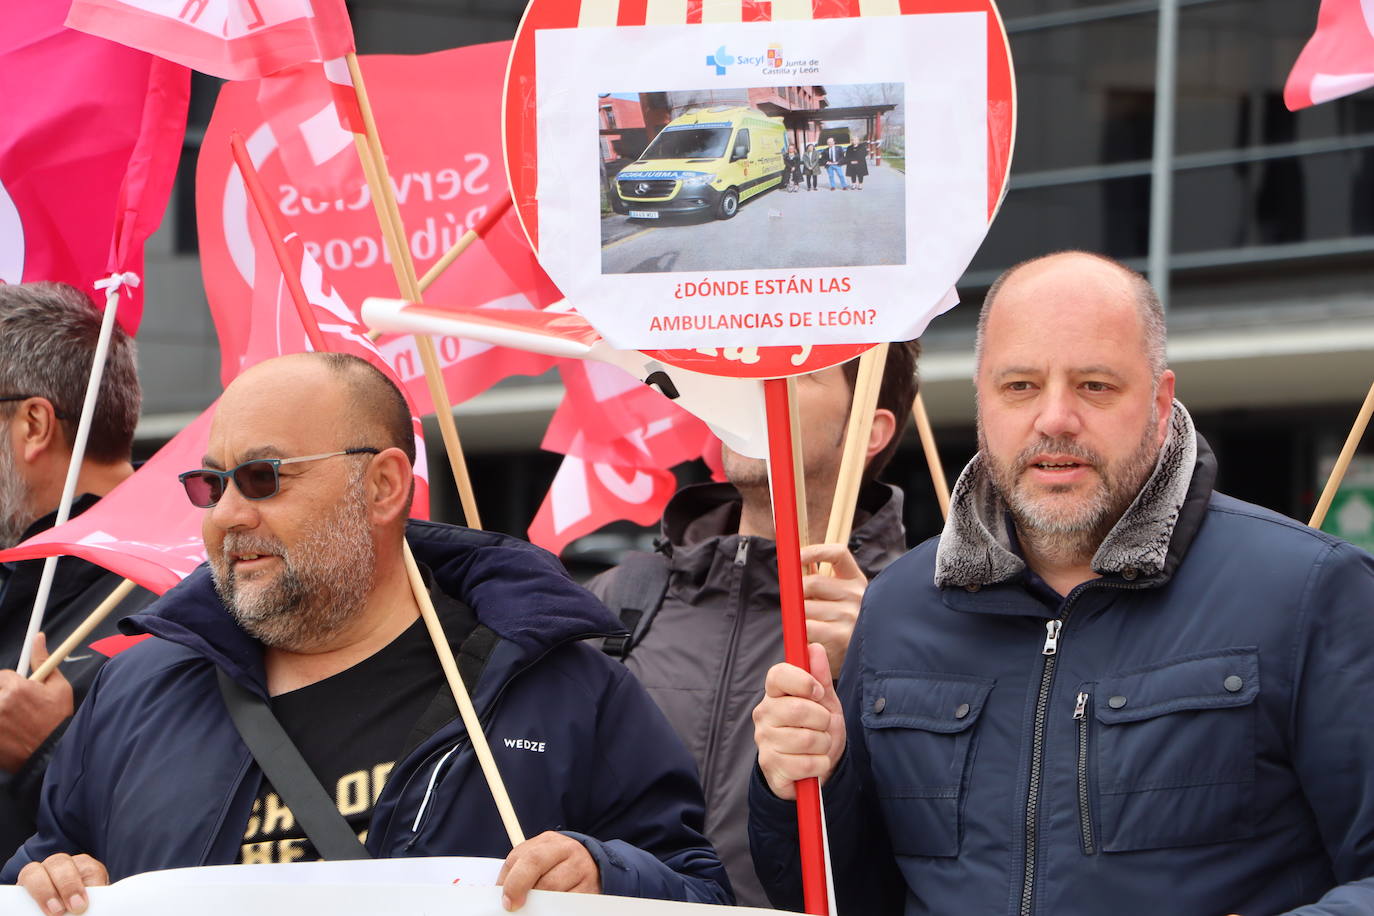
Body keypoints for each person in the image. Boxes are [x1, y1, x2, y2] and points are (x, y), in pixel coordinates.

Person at [750, 251, 1374, 915]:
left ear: (1161, 403)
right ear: (983, 400)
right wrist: (799, 787)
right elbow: (847, 894)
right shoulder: (900, 604)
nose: (1054, 418)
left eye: (1095, 386)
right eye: (1019, 386)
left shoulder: (1309, 592)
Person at [6, 353, 730, 914]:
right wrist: (53, 879)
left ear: (383, 486)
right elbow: (40, 869)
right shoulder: (134, 692)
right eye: (210, 484)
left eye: (262, 477)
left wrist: (603, 874)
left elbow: (702, 892)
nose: (226, 514)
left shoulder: (561, 688)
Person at [589, 342, 920, 907]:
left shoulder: (924, 616)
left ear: (869, 428)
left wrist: (877, 663)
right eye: (748, 364)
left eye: (799, 371)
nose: (756, 388)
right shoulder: (616, 598)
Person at [0, 282, 156, 864]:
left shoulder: (193, 586)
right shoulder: (25, 574)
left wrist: (50, 749)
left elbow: (205, 814)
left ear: (34, 423)